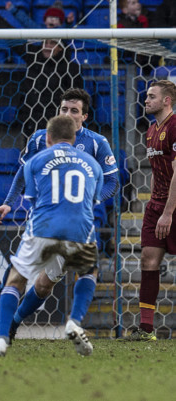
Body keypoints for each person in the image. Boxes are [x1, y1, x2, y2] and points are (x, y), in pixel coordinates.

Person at [0, 89, 119, 340]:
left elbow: (113, 181)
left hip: (79, 219)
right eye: (64, 109)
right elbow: (22, 173)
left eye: (74, 111)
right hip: (46, 219)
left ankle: (12, 321)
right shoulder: (39, 138)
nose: (68, 114)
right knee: (30, 272)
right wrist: (9, 203)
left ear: (84, 116)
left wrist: (92, 198)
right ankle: (1, 293)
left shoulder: (97, 142)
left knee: (45, 284)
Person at [124, 80, 176, 341]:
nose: (146, 100)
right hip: (158, 205)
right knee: (148, 260)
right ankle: (146, 329)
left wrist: (168, 211)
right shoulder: (152, 130)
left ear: (167, 100)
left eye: (152, 96)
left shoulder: (175, 125)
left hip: (174, 206)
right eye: (146, 96)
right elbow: (159, 170)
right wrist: (155, 204)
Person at [0, 1, 75, 29]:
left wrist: (68, 22)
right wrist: (14, 10)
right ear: (45, 20)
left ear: (60, 22)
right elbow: (26, 21)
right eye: (50, 17)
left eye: (56, 19)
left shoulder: (61, 32)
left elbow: (66, 30)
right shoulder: (38, 29)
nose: (52, 20)